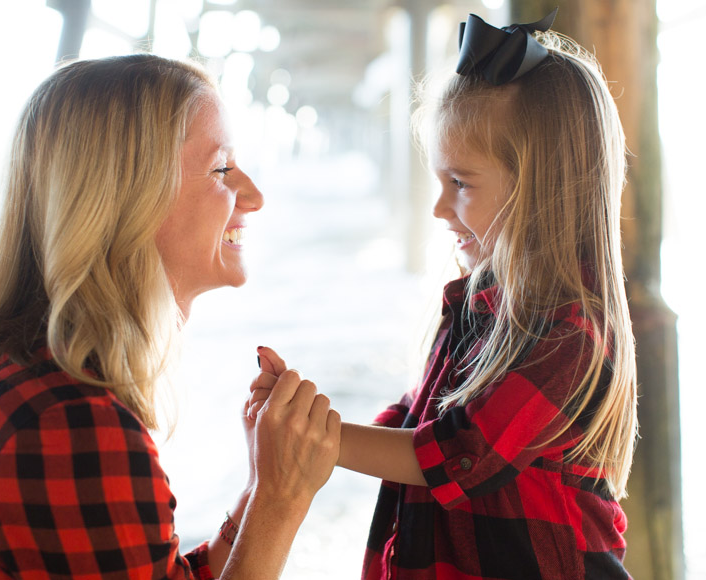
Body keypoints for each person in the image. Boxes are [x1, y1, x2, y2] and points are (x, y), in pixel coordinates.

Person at [0, 54, 340, 579]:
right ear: (127, 202)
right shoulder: (68, 423)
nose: (254, 197)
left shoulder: (38, 382)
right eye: (221, 168)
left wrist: (262, 485)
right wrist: (281, 504)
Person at [251, 10, 637, 580]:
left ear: (543, 187)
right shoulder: (474, 304)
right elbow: (413, 421)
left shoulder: (573, 338)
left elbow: (455, 454)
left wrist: (319, 442)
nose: (438, 209)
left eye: (459, 184)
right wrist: (301, 415)